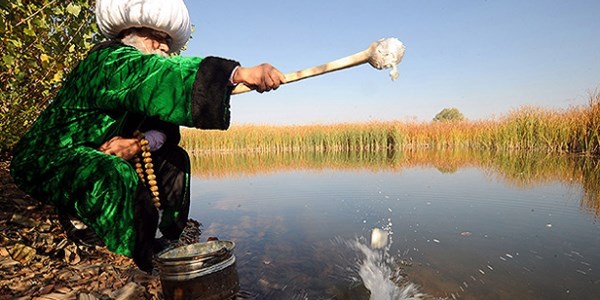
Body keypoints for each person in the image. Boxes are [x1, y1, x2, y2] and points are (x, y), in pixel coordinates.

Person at [9, 0, 285, 272]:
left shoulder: (138, 71)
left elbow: (164, 128)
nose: (164, 46)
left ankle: (166, 232)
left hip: (102, 152)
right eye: (156, 36)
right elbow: (154, 79)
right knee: (110, 173)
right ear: (128, 34)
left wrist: (139, 143)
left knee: (174, 158)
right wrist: (236, 73)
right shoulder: (108, 62)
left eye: (167, 39)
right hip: (51, 158)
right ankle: (124, 244)